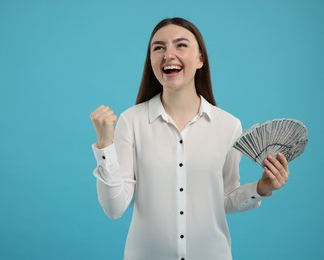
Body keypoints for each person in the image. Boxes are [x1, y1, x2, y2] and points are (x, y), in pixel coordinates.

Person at [90, 17, 289, 260]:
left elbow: (224, 199)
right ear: (151, 60)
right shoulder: (131, 121)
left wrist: (261, 188)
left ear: (200, 59)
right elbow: (114, 208)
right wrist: (104, 146)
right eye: (159, 47)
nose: (168, 54)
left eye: (180, 45)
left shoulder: (229, 125)